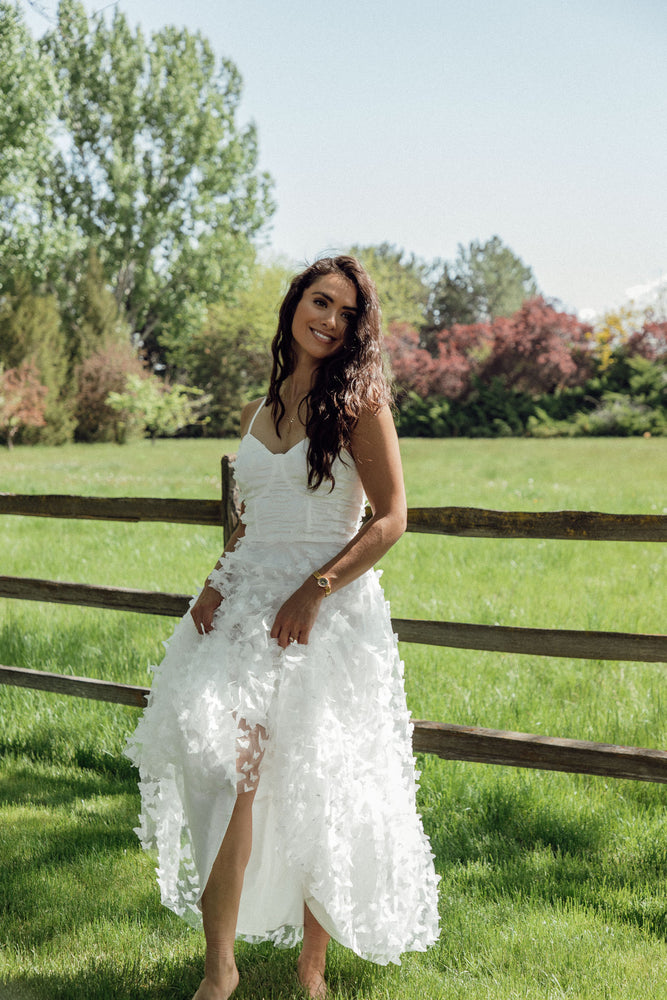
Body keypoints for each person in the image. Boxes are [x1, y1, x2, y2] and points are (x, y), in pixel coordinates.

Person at [125, 255, 440, 1000]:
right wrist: (213, 581)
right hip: (240, 609)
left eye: (345, 313)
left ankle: (310, 967)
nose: (329, 320)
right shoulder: (261, 406)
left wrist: (316, 589)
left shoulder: (360, 402)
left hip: (320, 614)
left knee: (314, 778)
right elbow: (249, 524)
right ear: (295, 303)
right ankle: (220, 966)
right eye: (319, 301)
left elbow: (392, 517)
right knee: (222, 767)